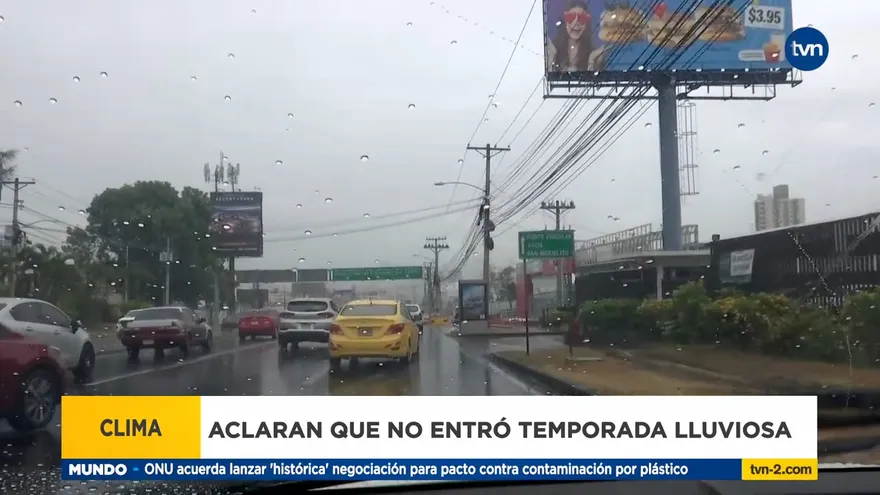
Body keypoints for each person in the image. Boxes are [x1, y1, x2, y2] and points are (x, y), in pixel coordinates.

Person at [546, 1, 595, 72]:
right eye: (571, 17)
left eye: (582, 18)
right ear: (564, 21)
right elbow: (548, 78)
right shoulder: (553, 50)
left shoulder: (593, 53)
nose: (576, 22)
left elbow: (593, 80)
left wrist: (591, 61)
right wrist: (551, 59)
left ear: (587, 24)